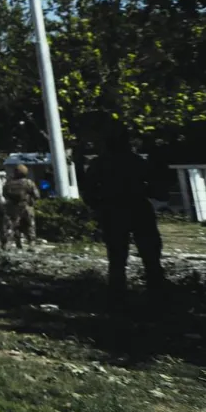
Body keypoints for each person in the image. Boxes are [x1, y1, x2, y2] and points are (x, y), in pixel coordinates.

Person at [78, 122, 167, 302]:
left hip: (113, 211)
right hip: (138, 208)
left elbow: (88, 191)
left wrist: (98, 206)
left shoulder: (99, 163)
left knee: (117, 257)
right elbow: (156, 189)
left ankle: (118, 293)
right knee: (150, 254)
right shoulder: (136, 161)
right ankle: (156, 290)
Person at [0, 163, 38, 249]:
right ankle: (31, 244)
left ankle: (10, 244)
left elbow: (4, 194)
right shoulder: (28, 182)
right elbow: (36, 195)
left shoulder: (9, 183)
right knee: (29, 225)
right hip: (26, 207)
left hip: (12, 208)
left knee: (11, 226)